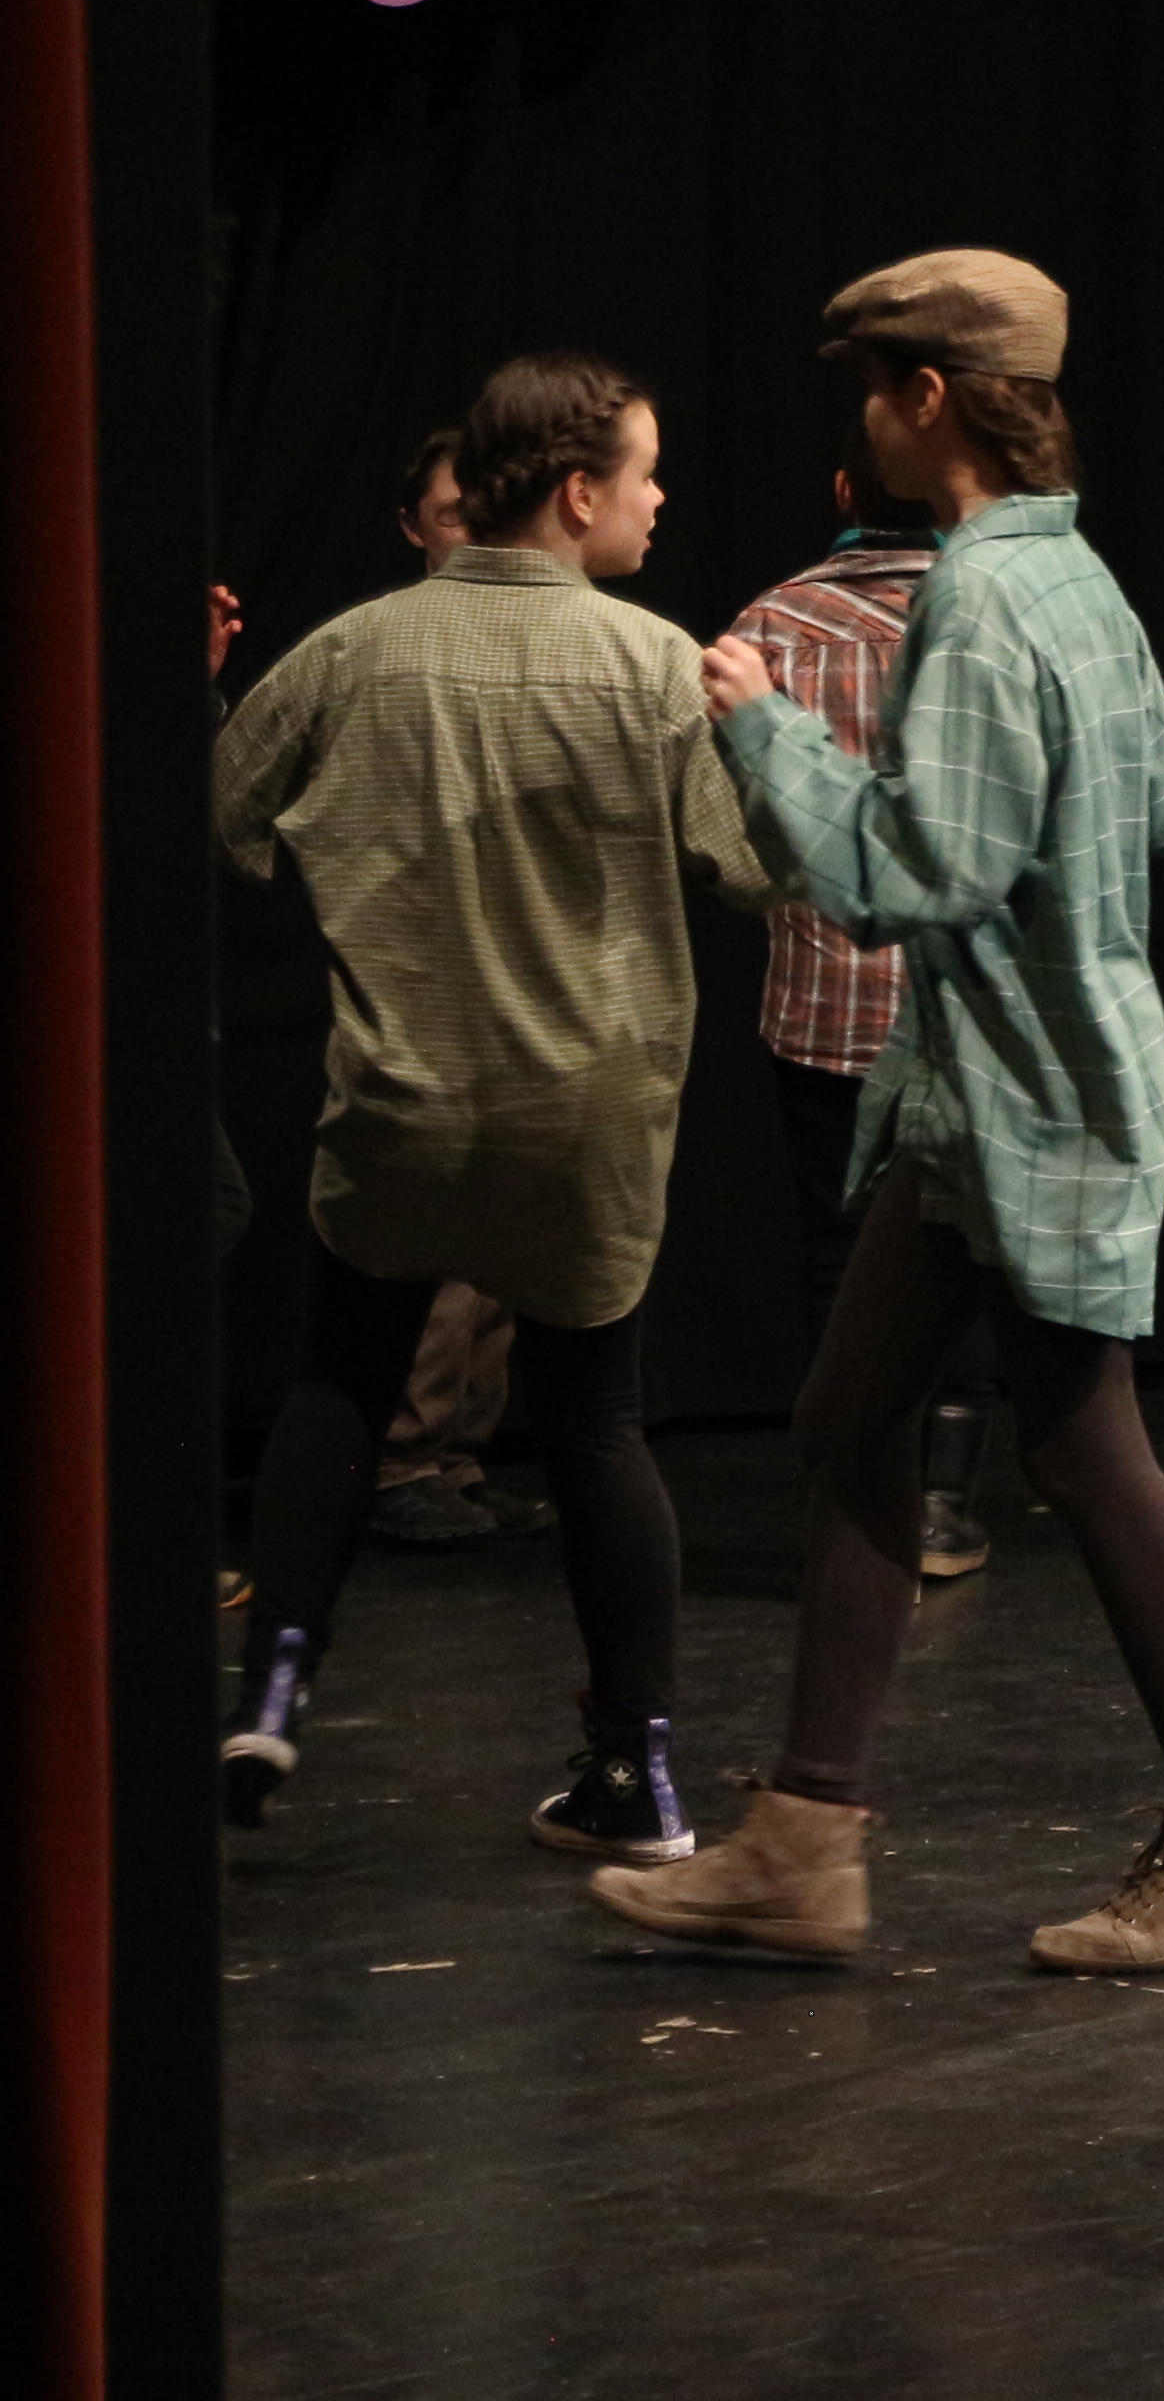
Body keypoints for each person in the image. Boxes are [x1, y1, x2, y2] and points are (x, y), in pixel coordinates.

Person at [596, 251, 1164, 1973]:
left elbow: (911, 876)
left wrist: (768, 730)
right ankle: (804, 1841)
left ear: (927, 399)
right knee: (854, 1417)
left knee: (1081, 1444)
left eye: (873, 388)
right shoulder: (1077, 575)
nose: (862, 417)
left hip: (1033, 1092)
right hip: (989, 1092)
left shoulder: (982, 601)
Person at [213, 353, 783, 1861]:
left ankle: (272, 1689)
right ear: (579, 494)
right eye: (645, 473)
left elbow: (220, 812)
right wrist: (775, 737)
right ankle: (635, 1775)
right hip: (586, 1119)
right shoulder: (656, 665)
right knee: (593, 1423)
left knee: (341, 1384)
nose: (662, 498)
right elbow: (755, 872)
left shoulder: (352, 651)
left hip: (402, 1102)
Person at [725, 428, 989, 1576]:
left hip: (823, 998)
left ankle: (856, 1499)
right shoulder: (992, 616)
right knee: (963, 1247)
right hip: (962, 1005)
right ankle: (944, 1506)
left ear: (842, 490)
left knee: (840, 1254)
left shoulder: (771, 625)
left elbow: (732, 820)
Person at [355, 424, 547, 1553]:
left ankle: (458, 1454)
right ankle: (402, 1458)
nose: (468, 530)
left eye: (481, 511)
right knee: (438, 1239)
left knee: (503, 1241)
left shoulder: (535, 641)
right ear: (411, 529)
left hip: (523, 971)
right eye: (446, 515)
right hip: (428, 974)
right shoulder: (386, 650)